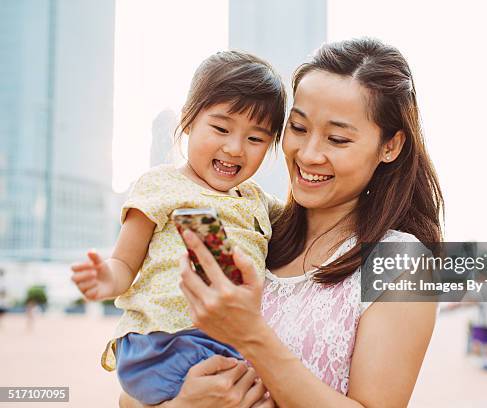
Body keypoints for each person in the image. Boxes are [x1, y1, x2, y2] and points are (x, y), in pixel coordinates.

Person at [122, 37, 443, 408]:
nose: (308, 154)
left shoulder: (402, 263)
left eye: (337, 139)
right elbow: (133, 386)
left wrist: (252, 335)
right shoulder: (250, 229)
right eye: (299, 128)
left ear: (390, 146)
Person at [71, 50, 286, 406]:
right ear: (188, 120)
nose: (234, 148)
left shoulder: (257, 200)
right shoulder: (161, 186)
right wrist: (107, 279)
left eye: (255, 139)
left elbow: (307, 221)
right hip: (163, 342)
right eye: (221, 128)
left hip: (220, 342)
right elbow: (125, 263)